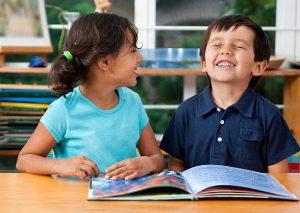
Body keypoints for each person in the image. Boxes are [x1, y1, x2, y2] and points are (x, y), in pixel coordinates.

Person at [16, 13, 164, 180]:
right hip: (76, 204)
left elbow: (157, 159)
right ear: (104, 63)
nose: (140, 57)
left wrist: (147, 164)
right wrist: (59, 165)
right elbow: (24, 160)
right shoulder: (64, 109)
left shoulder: (133, 102)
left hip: (124, 203)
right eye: (132, 51)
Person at [160, 15, 300, 173]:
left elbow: (279, 177)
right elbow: (176, 166)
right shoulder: (185, 112)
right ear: (204, 63)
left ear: (259, 66)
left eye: (239, 46)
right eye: (217, 45)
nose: (226, 51)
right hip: (197, 198)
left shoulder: (270, 115)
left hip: (252, 198)